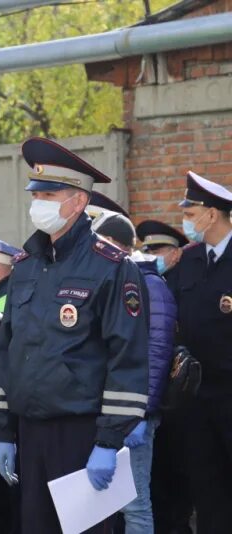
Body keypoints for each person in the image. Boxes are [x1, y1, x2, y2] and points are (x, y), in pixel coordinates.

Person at [0, 137, 149, 534]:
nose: (37, 202)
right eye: (35, 193)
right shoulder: (25, 266)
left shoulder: (111, 268)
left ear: (78, 201)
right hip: (30, 431)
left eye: (48, 193)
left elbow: (127, 358)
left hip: (82, 434)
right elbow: (8, 351)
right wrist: (3, 431)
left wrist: (109, 441)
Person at [94, 213, 177, 534]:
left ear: (116, 245)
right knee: (103, 503)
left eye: (101, 242)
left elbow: (157, 353)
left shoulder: (149, 285)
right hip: (106, 409)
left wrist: (144, 412)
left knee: (135, 504)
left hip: (136, 411)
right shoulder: (107, 281)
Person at [166, 171, 232, 533]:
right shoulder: (186, 260)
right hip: (195, 399)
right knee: (207, 494)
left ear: (213, 214)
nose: (186, 222)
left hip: (230, 394)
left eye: (191, 215)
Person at [135, 219, 193, 534]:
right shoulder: (144, 282)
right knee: (151, 485)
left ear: (176, 252)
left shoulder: (176, 281)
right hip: (151, 396)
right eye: (147, 249)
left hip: (176, 397)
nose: (152, 254)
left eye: (160, 249)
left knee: (174, 479)